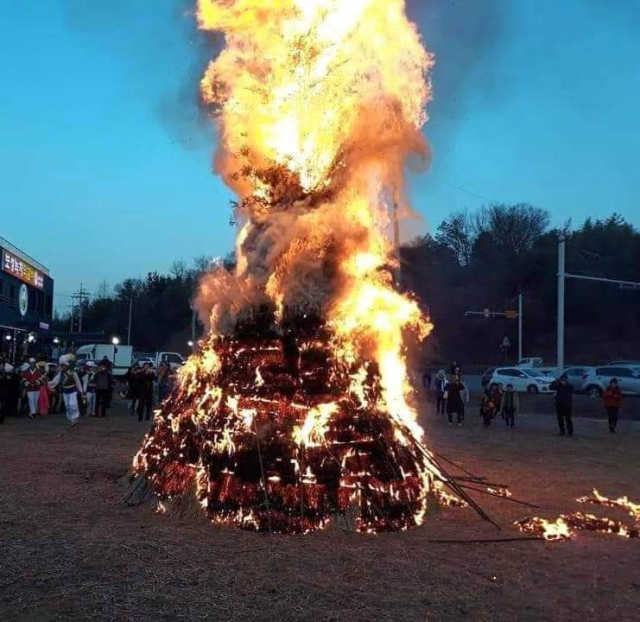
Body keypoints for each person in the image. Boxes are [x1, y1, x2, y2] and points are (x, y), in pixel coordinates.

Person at [48, 356, 84, 426]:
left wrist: (81, 391)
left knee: (72, 404)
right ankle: (71, 418)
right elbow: (54, 381)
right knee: (67, 405)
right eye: (61, 365)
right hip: (65, 391)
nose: (62, 367)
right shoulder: (60, 374)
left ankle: (75, 418)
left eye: (63, 365)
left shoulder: (73, 373)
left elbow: (78, 383)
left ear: (67, 365)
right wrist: (47, 383)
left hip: (73, 390)